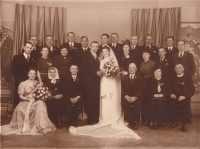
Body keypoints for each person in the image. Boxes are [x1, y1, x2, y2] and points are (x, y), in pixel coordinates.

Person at [69, 45, 141, 139]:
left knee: (112, 97)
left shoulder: (112, 61)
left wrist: (111, 72)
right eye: (103, 52)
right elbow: (98, 70)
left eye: (106, 52)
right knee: (104, 98)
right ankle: (104, 118)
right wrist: (103, 72)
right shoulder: (100, 60)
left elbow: (116, 72)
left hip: (111, 81)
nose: (104, 53)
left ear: (109, 52)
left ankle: (113, 117)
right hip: (103, 81)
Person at [1, 68, 56, 135]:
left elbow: (41, 86)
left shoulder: (37, 82)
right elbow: (20, 96)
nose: (32, 75)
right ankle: (32, 126)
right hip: (25, 102)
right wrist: (28, 99)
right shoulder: (23, 83)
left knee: (41, 103)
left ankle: (41, 126)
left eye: (34, 74)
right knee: (22, 108)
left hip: (35, 102)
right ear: (28, 74)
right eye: (31, 73)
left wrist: (39, 77)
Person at [168, 63, 195, 132]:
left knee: (183, 104)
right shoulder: (172, 78)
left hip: (184, 97)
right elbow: (169, 88)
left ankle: (183, 124)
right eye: (176, 68)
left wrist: (185, 96)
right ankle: (174, 122)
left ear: (183, 69)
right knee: (171, 102)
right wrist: (171, 94)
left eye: (180, 67)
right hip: (175, 97)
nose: (178, 69)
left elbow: (192, 90)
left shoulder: (188, 78)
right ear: (174, 69)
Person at [11, 42, 36, 107]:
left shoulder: (33, 59)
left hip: (30, 83)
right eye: (27, 47)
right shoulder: (17, 57)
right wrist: (20, 80)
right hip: (20, 82)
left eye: (30, 48)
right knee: (18, 98)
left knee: (30, 98)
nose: (29, 49)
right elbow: (12, 71)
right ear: (24, 48)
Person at [121, 63, 145, 130]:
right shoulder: (123, 77)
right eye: (130, 67)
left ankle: (130, 121)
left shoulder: (140, 77)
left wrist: (135, 97)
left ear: (136, 69)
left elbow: (142, 89)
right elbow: (121, 89)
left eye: (133, 67)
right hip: (126, 97)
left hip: (136, 97)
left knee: (139, 103)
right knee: (123, 103)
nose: (131, 69)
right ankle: (133, 122)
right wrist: (126, 96)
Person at [84, 41, 101, 124]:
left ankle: (95, 118)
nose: (95, 48)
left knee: (96, 99)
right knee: (90, 100)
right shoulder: (85, 55)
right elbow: (84, 68)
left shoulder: (98, 56)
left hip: (97, 81)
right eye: (93, 46)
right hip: (89, 81)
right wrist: (95, 72)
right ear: (90, 47)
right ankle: (90, 119)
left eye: (96, 46)